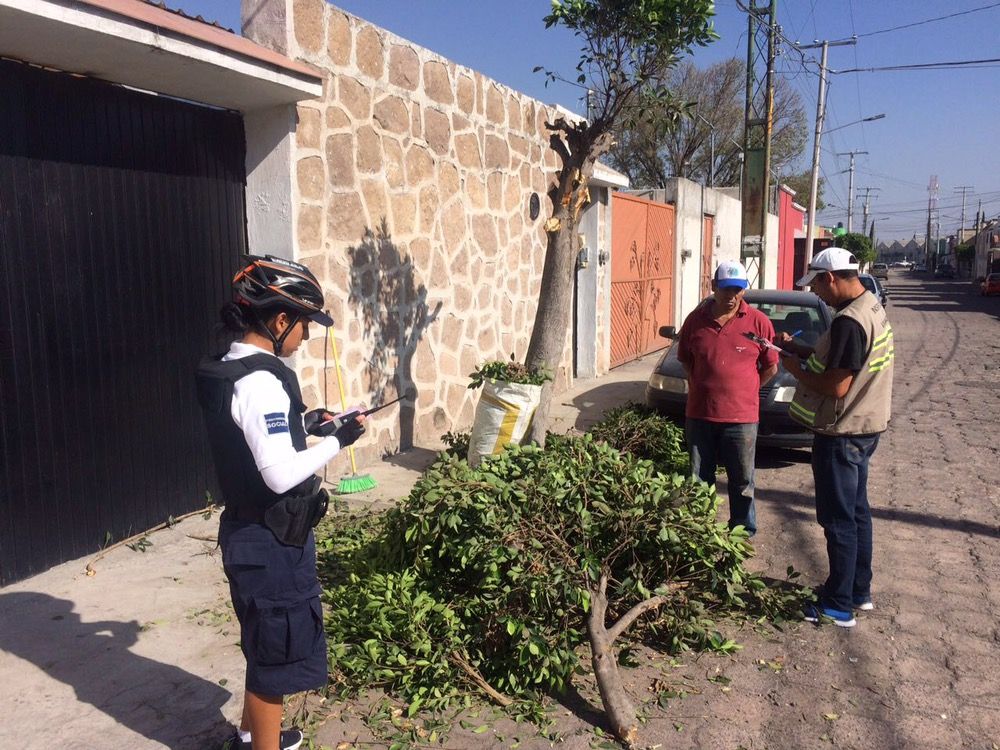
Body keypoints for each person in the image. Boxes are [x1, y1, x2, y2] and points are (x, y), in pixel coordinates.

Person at [195, 255, 366, 750]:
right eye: (305, 325)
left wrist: (308, 424)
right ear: (278, 320)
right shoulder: (263, 383)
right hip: (271, 543)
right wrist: (341, 441)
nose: (306, 337)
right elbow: (276, 475)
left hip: (246, 535)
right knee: (276, 657)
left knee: (264, 645)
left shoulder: (229, 369)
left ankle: (253, 735)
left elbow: (249, 437)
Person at [777, 247, 894, 628]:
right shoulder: (870, 306)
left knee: (838, 519)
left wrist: (794, 368)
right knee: (857, 514)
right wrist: (798, 347)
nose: (816, 294)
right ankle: (859, 591)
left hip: (842, 432)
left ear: (830, 278)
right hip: (866, 427)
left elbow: (837, 383)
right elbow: (844, 359)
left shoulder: (848, 321)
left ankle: (838, 605)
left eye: (816, 286)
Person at [675, 260, 778, 537]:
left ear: (744, 290)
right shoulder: (695, 321)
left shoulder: (759, 323)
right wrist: (703, 384)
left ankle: (742, 532)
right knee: (699, 478)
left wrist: (746, 389)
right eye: (725, 289)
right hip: (699, 415)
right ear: (713, 287)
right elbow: (685, 359)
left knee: (742, 480)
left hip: (742, 418)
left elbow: (771, 366)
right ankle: (700, 529)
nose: (731, 296)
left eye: (737, 290)